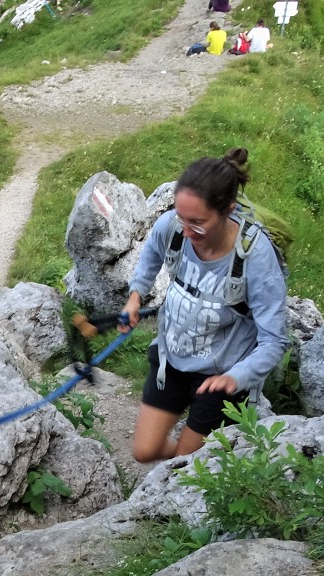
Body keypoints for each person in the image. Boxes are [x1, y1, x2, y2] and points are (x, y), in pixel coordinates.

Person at [118, 148, 287, 462]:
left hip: (219, 378)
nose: (185, 230)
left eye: (197, 223)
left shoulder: (256, 257)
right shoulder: (174, 226)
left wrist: (236, 378)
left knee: (185, 464)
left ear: (228, 210)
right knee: (145, 452)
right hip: (172, 359)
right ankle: (210, 455)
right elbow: (152, 255)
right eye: (181, 218)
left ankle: (206, 460)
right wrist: (135, 297)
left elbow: (274, 340)